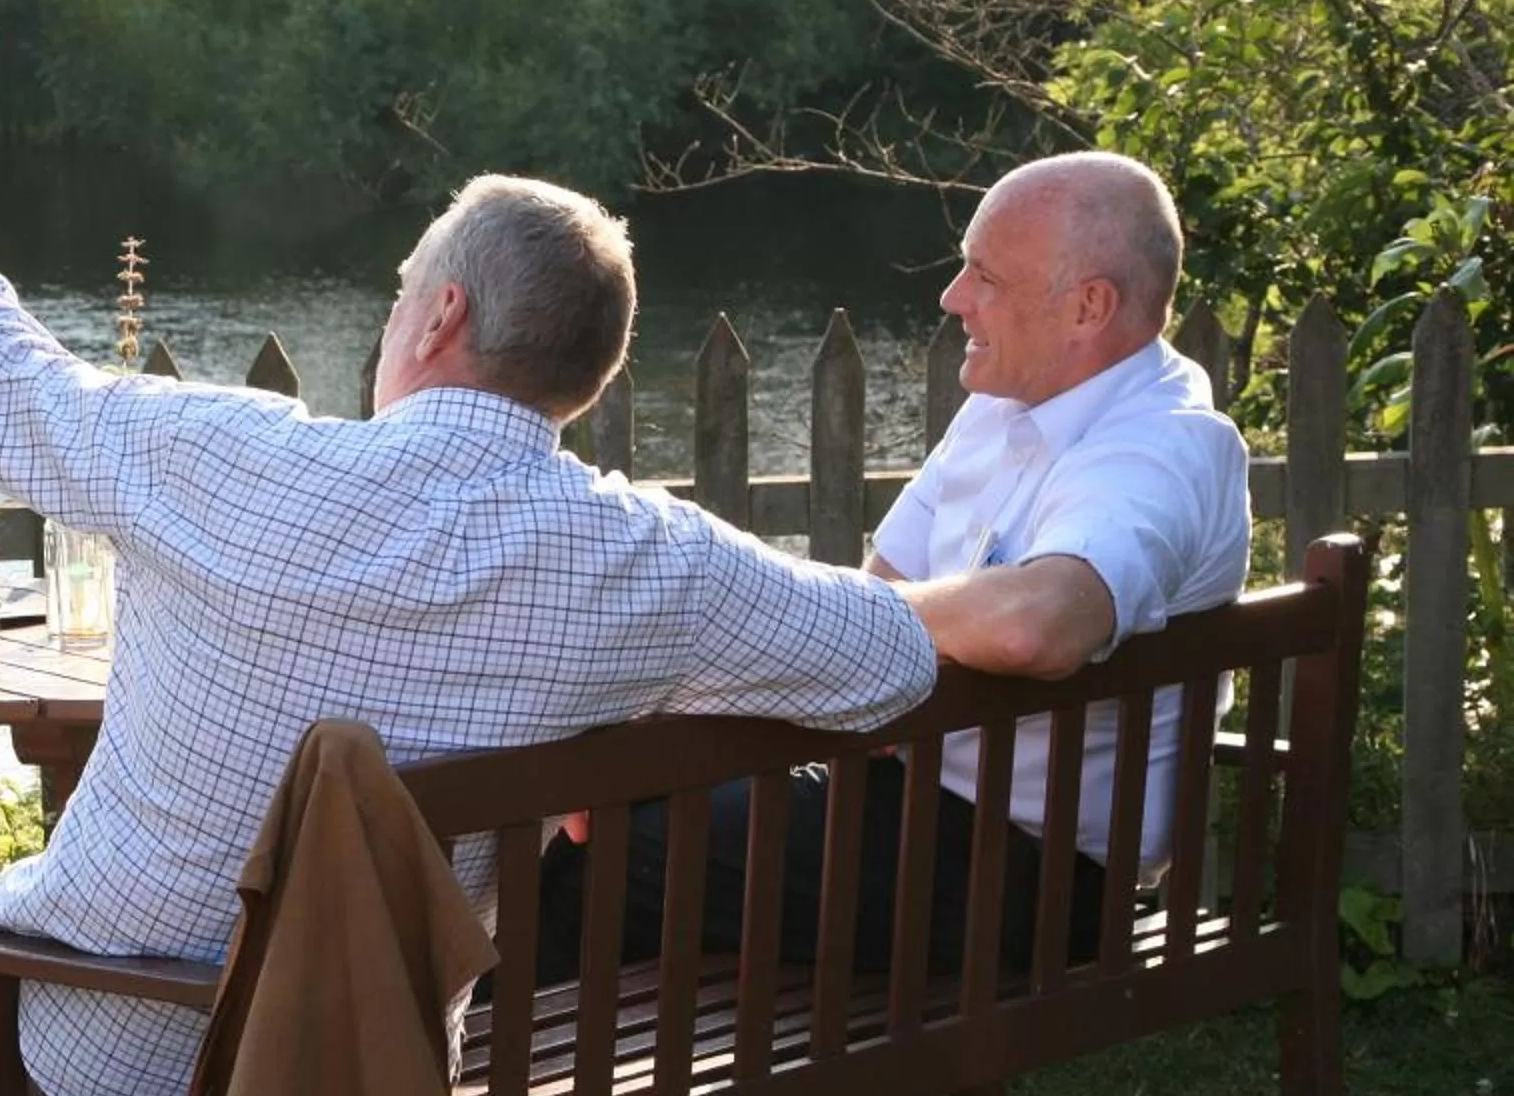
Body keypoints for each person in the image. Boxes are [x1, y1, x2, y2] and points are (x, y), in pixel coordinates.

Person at [0, 82, 940, 1096]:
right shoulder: (638, 558)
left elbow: (4, 386)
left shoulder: (229, 457)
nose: (395, 312)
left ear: (441, 316)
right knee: (67, 987)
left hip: (110, 1025)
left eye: (402, 289)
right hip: (362, 1073)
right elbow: (885, 658)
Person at [533, 149, 1253, 984]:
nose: (953, 299)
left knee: (615, 841)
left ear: (1089, 306)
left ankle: (464, 1090)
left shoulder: (1161, 447)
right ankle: (483, 1076)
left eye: (985, 276)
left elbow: (1037, 624)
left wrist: (858, 641)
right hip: (913, 813)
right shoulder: (1002, 408)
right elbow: (879, 592)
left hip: (1028, 878)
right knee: (614, 799)